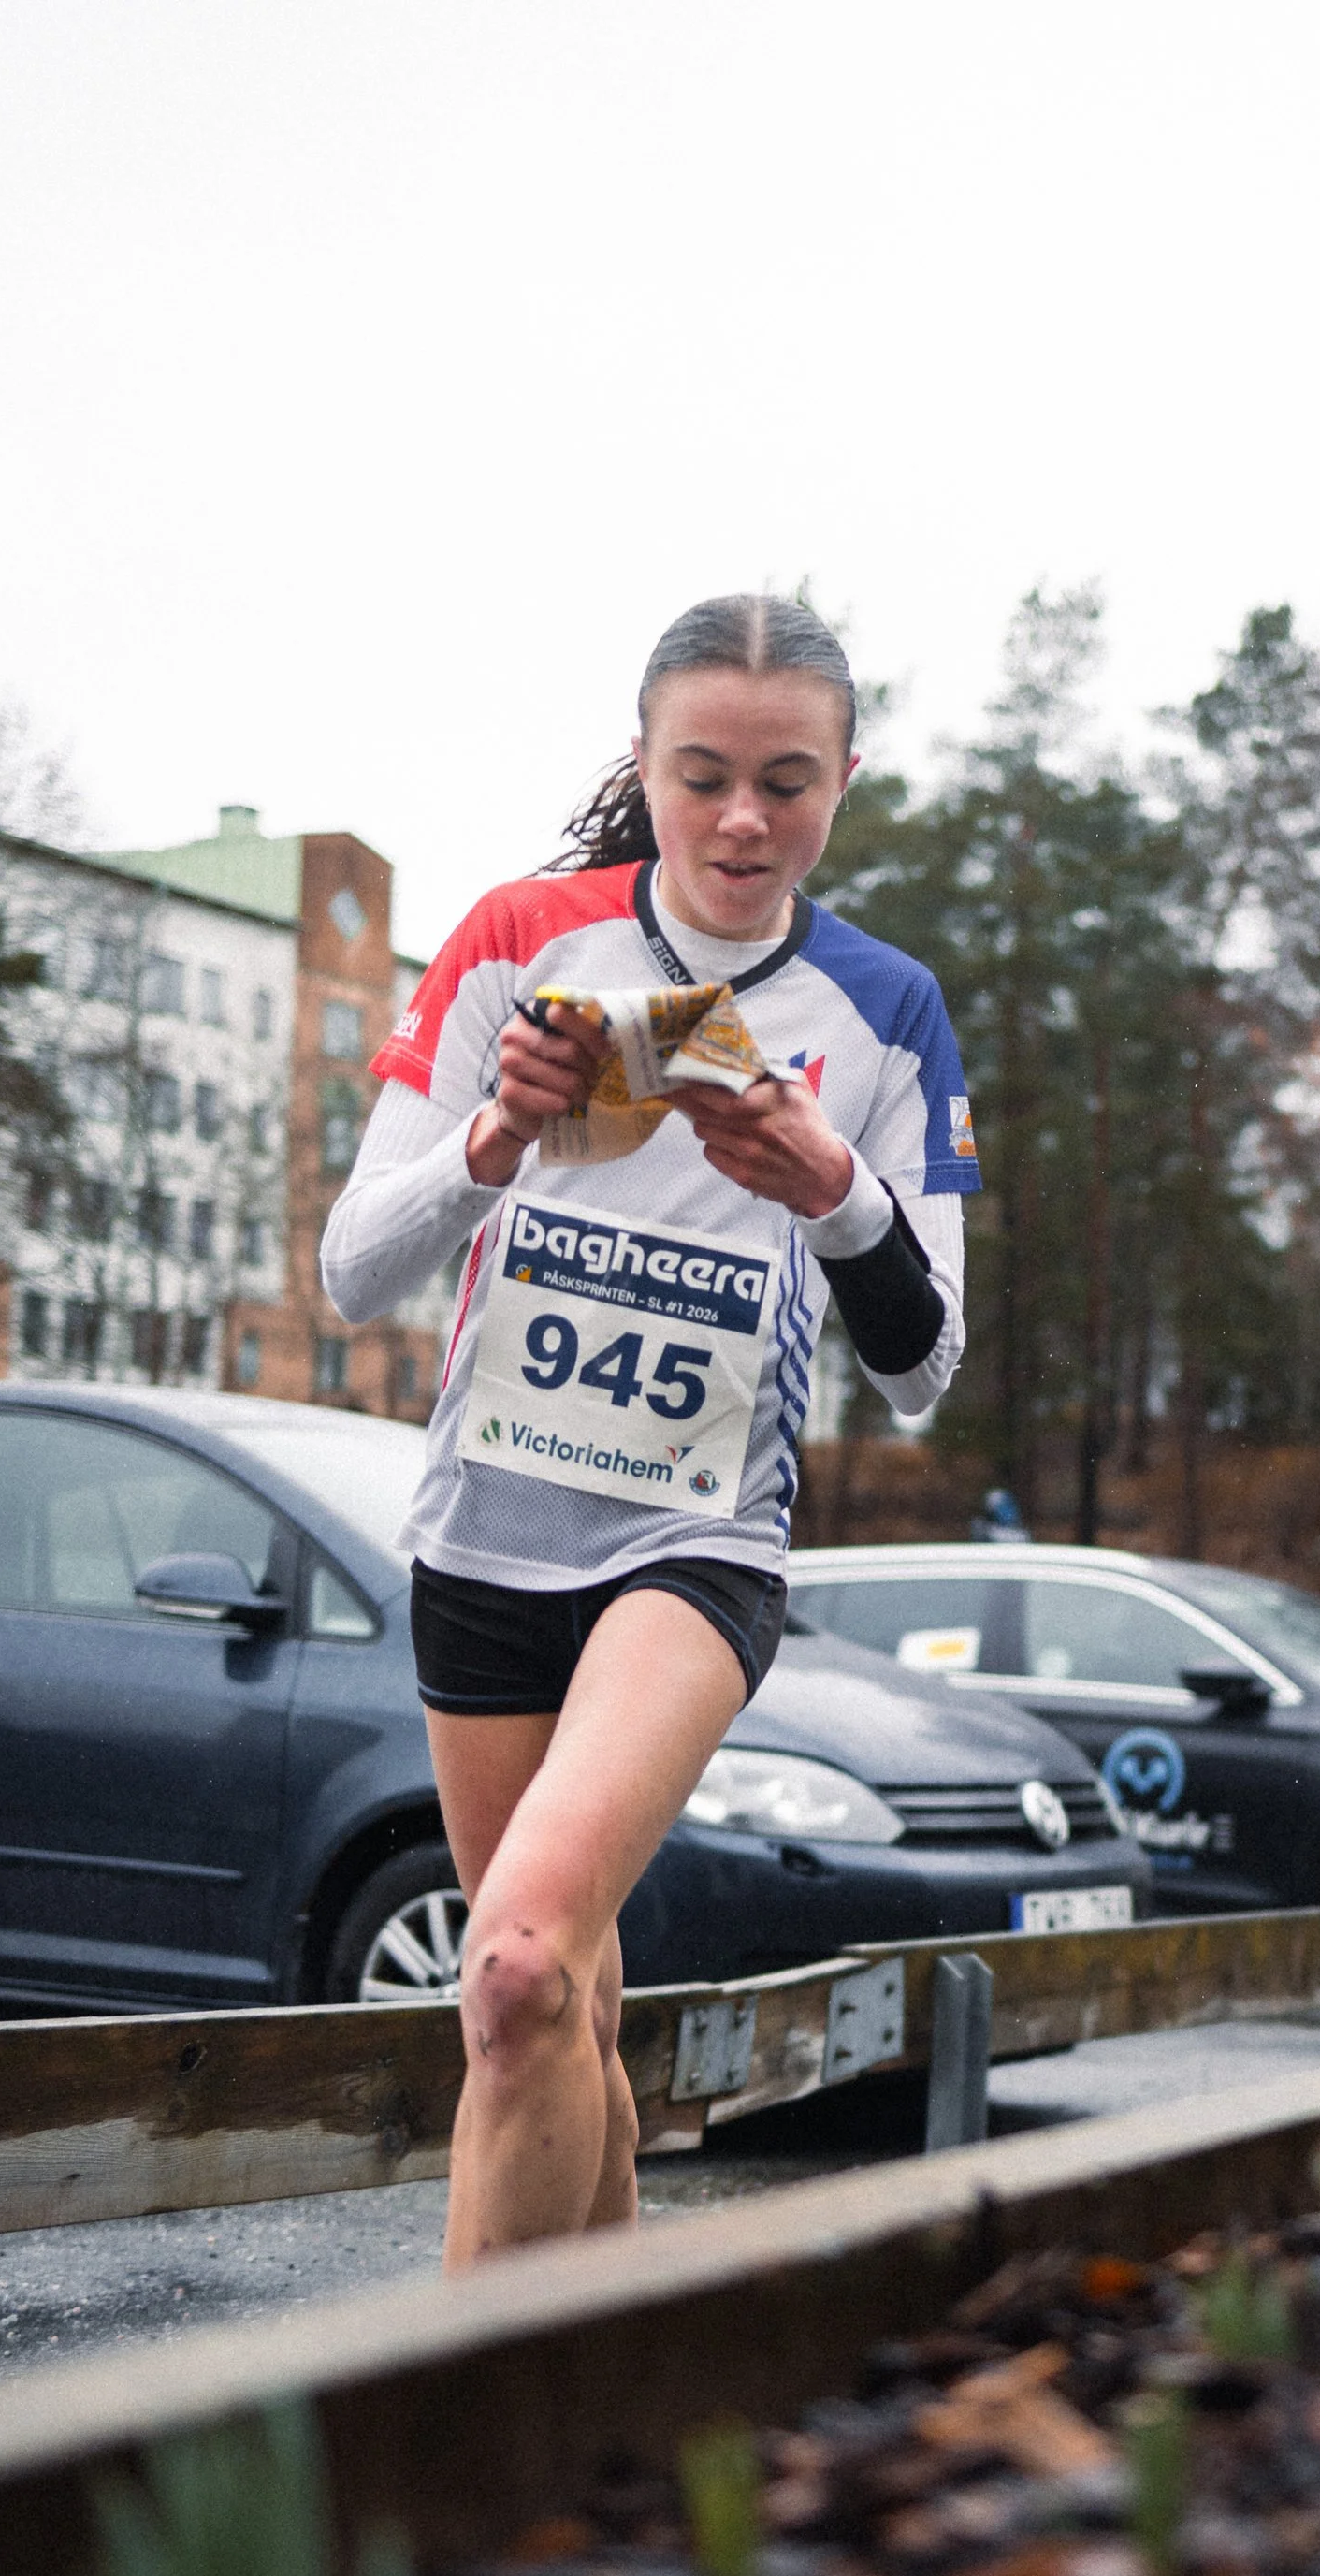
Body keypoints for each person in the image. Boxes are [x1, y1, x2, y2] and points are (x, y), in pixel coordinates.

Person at [321, 596, 979, 2270]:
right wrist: (492, 1138)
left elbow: (925, 1365)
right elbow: (349, 1276)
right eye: (703, 776)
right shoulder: (518, 937)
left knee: (522, 1965)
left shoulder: (888, 1009)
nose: (743, 819)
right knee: (568, 2019)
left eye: (787, 781)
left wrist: (832, 1192)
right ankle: (628, 2408)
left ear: (843, 784)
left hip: (693, 1546)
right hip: (485, 1540)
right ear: (645, 764)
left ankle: (451, 2451)